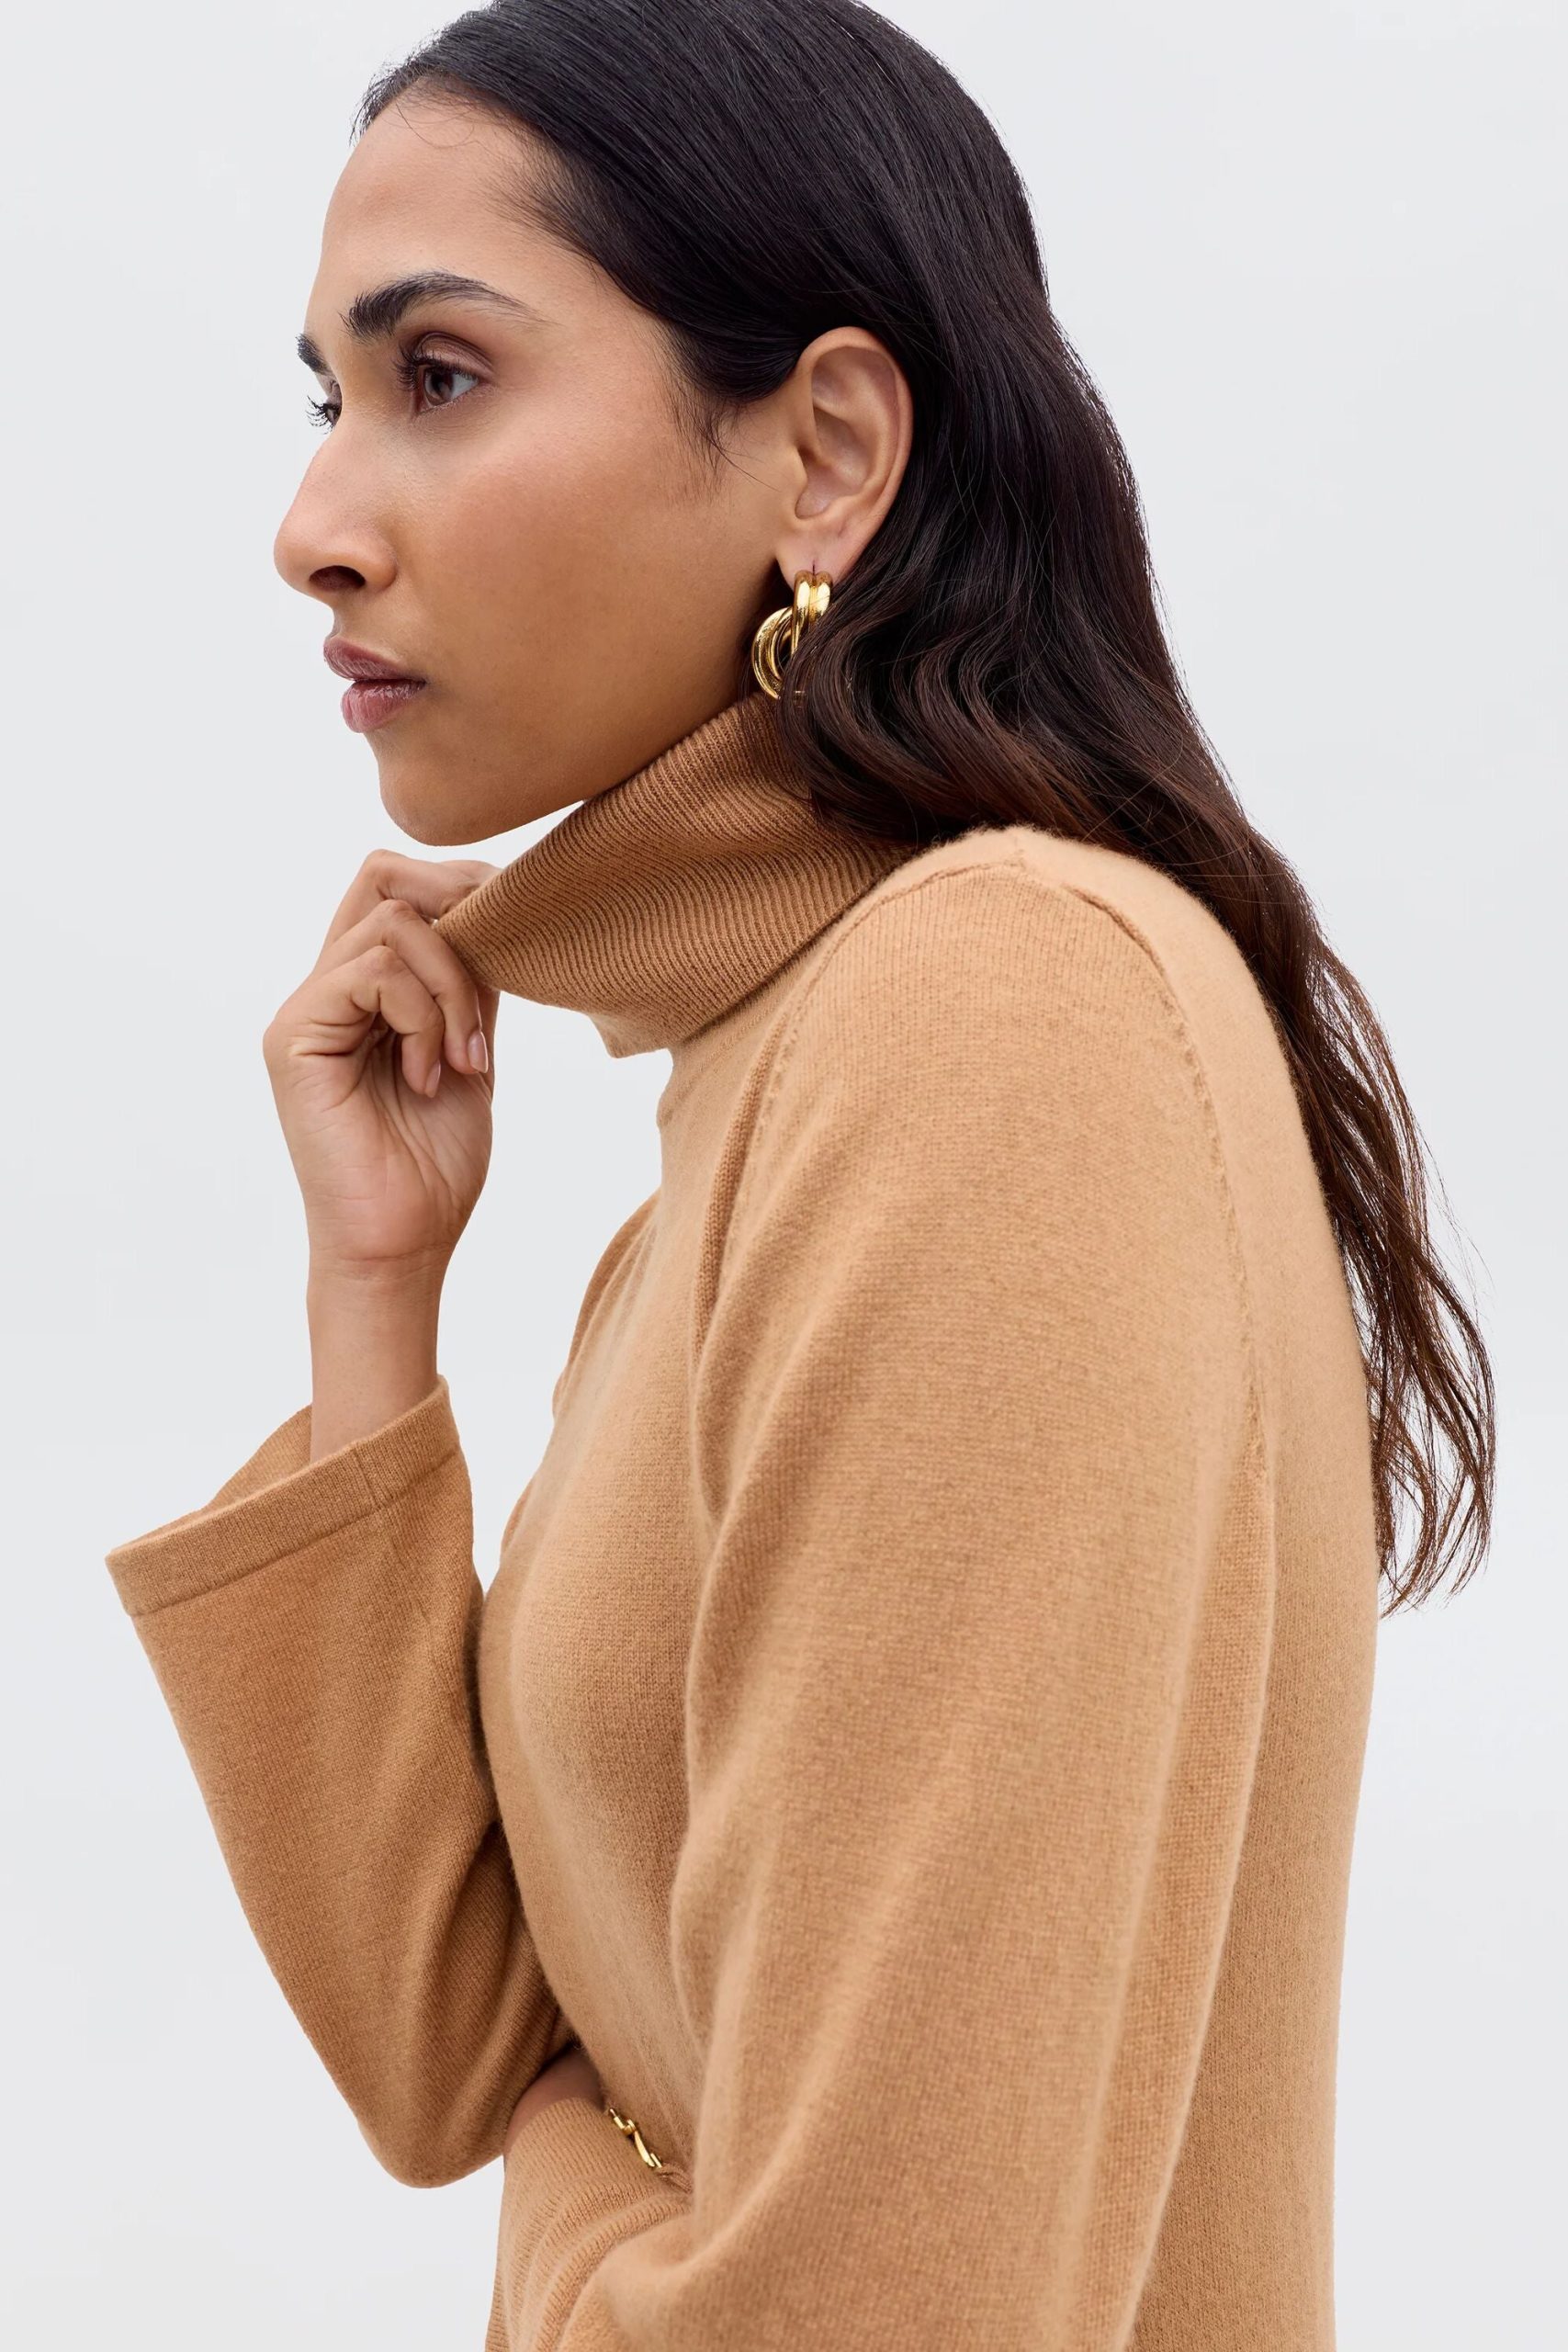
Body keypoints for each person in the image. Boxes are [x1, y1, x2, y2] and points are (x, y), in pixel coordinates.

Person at [102, 4, 1495, 2346]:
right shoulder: (778, 1070)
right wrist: (374, 1298)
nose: (313, 522)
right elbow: (461, 2047)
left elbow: (858, 2296)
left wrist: (569, 2190)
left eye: (438, 376)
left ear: (825, 452)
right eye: (323, 400)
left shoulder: (995, 1015)